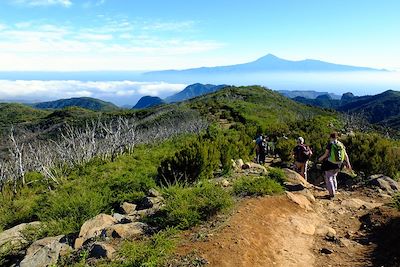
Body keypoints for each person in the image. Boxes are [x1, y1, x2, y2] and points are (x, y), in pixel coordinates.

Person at [318, 132, 352, 199]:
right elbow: (345, 155)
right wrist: (348, 163)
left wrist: (320, 159)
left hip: (331, 163)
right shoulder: (341, 144)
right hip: (339, 164)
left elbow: (326, 155)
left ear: (331, 137)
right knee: (334, 176)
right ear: (337, 137)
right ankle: (335, 189)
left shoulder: (330, 145)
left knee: (328, 177)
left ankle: (331, 194)